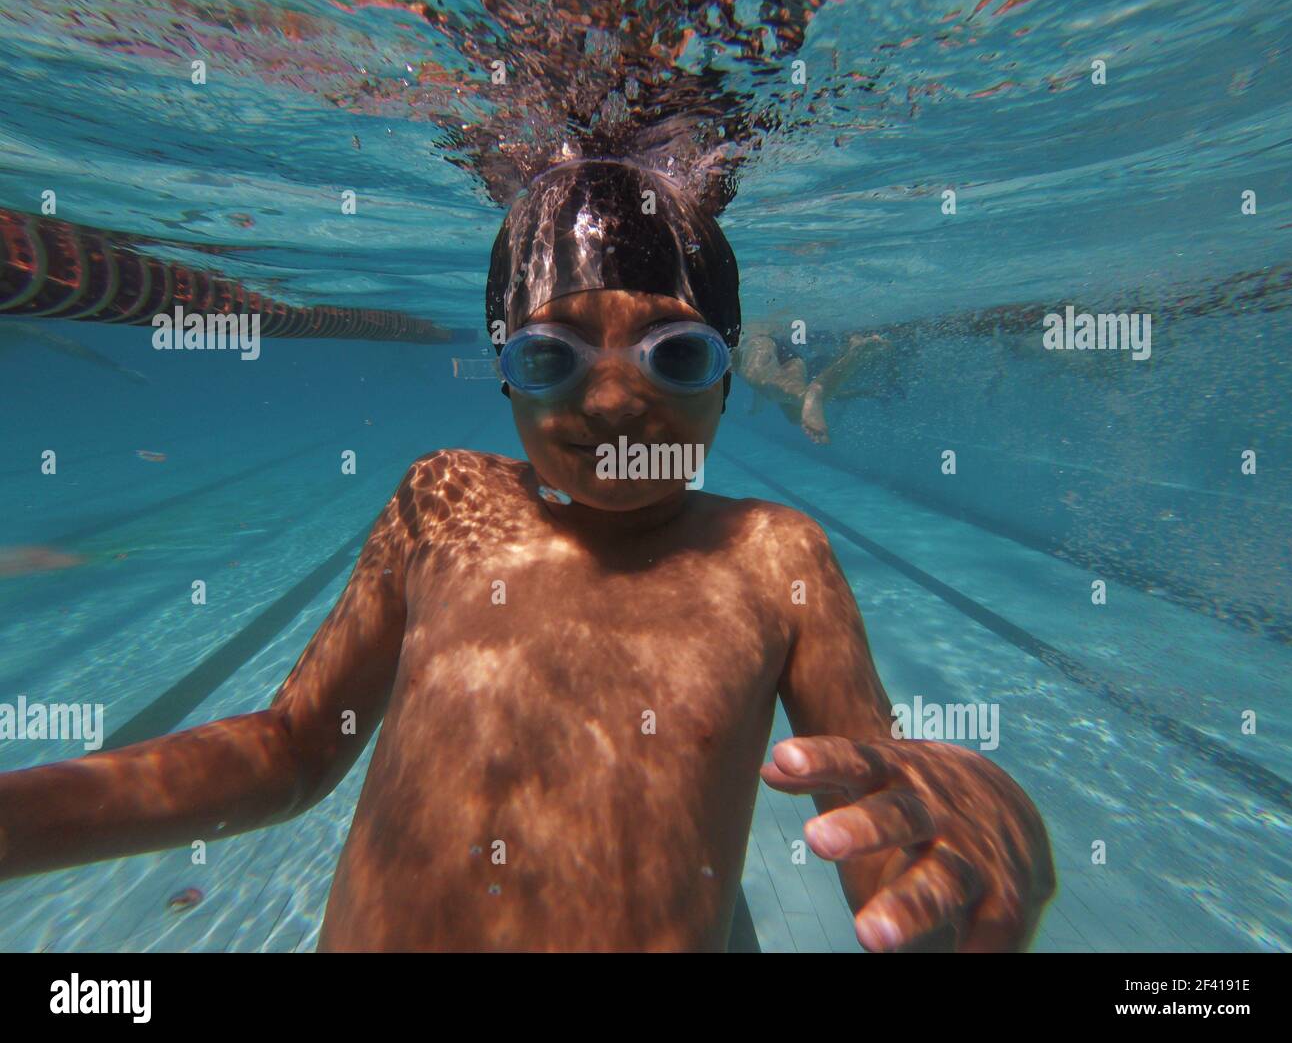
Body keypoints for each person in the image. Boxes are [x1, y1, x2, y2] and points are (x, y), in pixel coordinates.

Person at [0, 159, 1053, 952]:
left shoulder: (776, 555)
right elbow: (287, 754)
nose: (608, 400)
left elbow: (887, 836)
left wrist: (984, 832)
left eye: (674, 353)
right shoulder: (440, 502)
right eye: (550, 357)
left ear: (729, 376)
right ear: (503, 372)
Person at [737, 327, 901, 444]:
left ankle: (818, 387)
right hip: (788, 356)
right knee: (796, 413)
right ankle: (851, 356)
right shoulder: (756, 375)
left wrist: (756, 405)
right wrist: (756, 404)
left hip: (757, 342)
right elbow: (760, 381)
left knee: (765, 383)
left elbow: (759, 378)